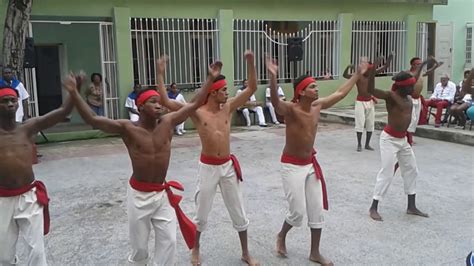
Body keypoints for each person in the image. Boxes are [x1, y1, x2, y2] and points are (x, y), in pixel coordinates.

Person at [66, 57, 217, 265]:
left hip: (161, 194)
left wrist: (210, 79)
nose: (159, 105)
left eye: (159, 101)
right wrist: (74, 93)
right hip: (138, 196)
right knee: (139, 249)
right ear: (139, 107)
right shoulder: (128, 128)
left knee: (169, 242)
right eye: (152, 102)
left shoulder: (168, 122)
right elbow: (93, 119)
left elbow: (196, 103)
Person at [159, 51, 259, 265]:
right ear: (213, 93)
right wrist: (160, 73)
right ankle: (196, 248)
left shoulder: (229, 107)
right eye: (223, 90)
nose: (227, 93)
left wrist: (251, 63)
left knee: (238, 210)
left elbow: (251, 88)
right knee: (202, 212)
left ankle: (245, 252)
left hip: (228, 166)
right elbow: (166, 101)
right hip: (208, 167)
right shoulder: (197, 112)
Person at [267, 57, 369, 266]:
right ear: (301, 92)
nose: (317, 89)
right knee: (296, 213)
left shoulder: (317, 106)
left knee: (316, 210)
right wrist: (273, 77)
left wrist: (358, 75)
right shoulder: (291, 109)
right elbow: (276, 104)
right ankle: (282, 235)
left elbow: (340, 93)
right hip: (291, 165)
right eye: (312, 87)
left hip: (310, 165)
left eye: (316, 86)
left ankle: (315, 252)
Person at [0, 73, 81, 265]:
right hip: (2, 198)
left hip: (29, 197)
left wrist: (73, 91)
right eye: (4, 101)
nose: (10, 104)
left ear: (18, 103)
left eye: (13, 100)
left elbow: (61, 113)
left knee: (36, 252)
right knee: (4, 256)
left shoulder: (28, 127)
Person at [367, 60, 430, 222]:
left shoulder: (408, 95)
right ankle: (373, 207)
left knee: (411, 169)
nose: (413, 88)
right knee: (387, 172)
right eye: (410, 86)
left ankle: (411, 206)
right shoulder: (391, 96)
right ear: (402, 87)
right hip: (389, 139)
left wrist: (424, 65)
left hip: (403, 140)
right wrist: (373, 73)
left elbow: (414, 77)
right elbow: (371, 90)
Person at [343, 54, 393, 151]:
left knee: (370, 123)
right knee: (360, 123)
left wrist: (389, 58)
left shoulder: (372, 74)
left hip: (370, 101)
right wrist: (348, 67)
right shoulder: (358, 76)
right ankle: (359, 144)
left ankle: (367, 144)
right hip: (360, 102)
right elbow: (345, 75)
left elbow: (385, 67)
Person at [407, 56, 442, 143]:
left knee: (415, 120)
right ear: (413, 65)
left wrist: (435, 64)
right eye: (418, 64)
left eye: (421, 64)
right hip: (409, 99)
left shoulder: (421, 73)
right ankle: (408, 139)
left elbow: (429, 71)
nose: (420, 65)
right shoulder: (408, 74)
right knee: (411, 119)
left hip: (417, 99)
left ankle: (409, 137)